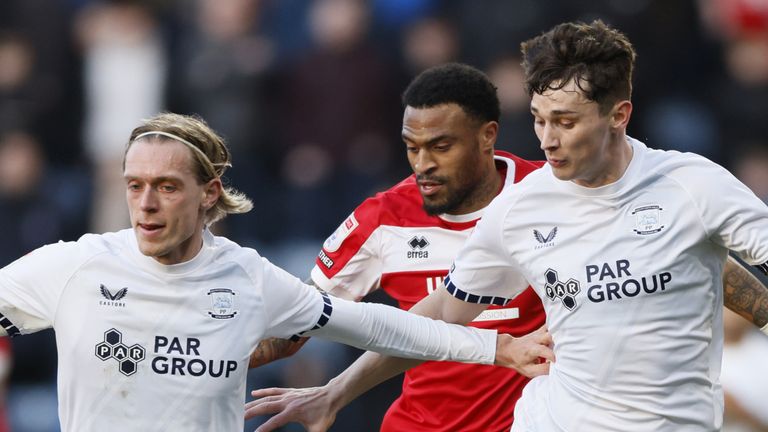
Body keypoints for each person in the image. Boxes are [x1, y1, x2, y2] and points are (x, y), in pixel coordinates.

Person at [246, 21, 768, 432]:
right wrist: (336, 391)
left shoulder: (691, 185)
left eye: (565, 121)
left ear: (619, 114)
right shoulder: (521, 208)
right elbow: (439, 313)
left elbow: (707, 265)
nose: (548, 138)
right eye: (539, 118)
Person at [0, 113, 554, 432]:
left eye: (167, 187)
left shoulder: (248, 279)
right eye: (134, 185)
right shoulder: (75, 266)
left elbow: (378, 325)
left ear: (208, 193)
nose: (146, 204)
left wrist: (497, 349)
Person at [249, 62, 546, 431]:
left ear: (487, 136)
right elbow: (298, 323)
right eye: (412, 147)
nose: (423, 165)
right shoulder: (383, 218)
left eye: (440, 147)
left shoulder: (545, 195)